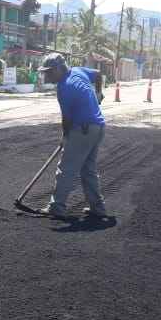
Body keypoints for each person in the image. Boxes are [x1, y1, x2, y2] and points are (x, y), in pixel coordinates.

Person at [37, 52, 107, 220]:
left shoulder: (65, 87)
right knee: (88, 170)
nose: (47, 75)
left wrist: (65, 137)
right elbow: (98, 74)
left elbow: (66, 119)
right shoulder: (78, 71)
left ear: (60, 69)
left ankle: (57, 206)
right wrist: (99, 94)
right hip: (98, 127)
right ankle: (98, 208)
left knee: (66, 168)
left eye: (49, 72)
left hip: (82, 129)